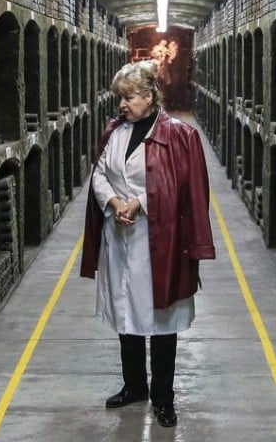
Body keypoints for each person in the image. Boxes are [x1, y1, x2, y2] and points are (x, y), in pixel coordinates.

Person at [80, 60, 216, 428]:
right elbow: (100, 175)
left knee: (160, 316)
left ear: (149, 96)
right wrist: (112, 202)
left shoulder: (179, 135)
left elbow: (186, 191)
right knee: (126, 314)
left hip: (159, 242)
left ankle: (164, 398)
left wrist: (139, 201)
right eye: (119, 98)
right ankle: (135, 386)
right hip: (120, 236)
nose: (121, 105)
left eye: (128, 97)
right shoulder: (114, 131)